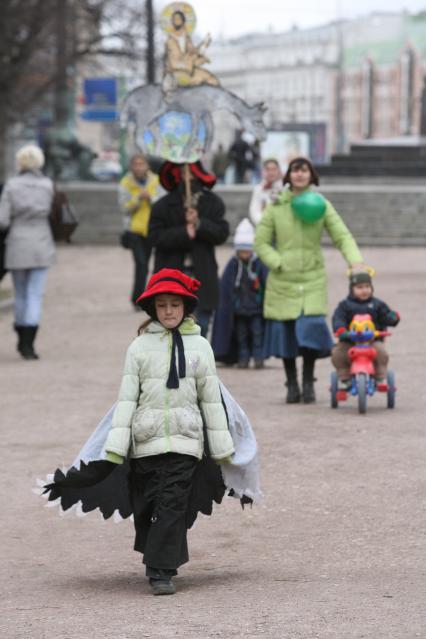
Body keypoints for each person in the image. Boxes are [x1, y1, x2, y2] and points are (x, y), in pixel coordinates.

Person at [103, 268, 235, 595]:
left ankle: (161, 570)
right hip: (146, 441)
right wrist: (117, 446)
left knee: (173, 502)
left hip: (186, 439)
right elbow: (126, 398)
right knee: (148, 504)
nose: (169, 311)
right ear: (153, 310)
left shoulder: (201, 347)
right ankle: (159, 557)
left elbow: (211, 399)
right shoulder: (138, 349)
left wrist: (220, 446)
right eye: (161, 306)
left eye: (174, 304)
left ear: (185, 307)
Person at [254, 156, 365, 404]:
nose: (300, 174)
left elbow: (342, 236)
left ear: (312, 175)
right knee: (287, 334)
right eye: (295, 170)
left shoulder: (321, 205)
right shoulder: (276, 206)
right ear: (288, 176)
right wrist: (277, 262)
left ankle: (308, 380)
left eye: (304, 170)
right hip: (283, 279)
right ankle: (292, 383)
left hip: (312, 278)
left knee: (311, 330)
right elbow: (261, 243)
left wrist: (355, 261)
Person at [148, 161, 229, 338]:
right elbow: (155, 237)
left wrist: (200, 224)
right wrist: (184, 232)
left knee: (201, 329)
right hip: (171, 276)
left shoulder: (212, 203)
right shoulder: (163, 206)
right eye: (184, 174)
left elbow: (222, 233)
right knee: (170, 330)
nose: (188, 178)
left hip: (203, 276)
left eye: (191, 174)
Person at [0, 144, 55, 360]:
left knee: (20, 293)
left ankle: (21, 334)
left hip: (17, 241)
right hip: (41, 241)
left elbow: (3, 220)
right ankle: (29, 343)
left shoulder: (12, 186)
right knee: (35, 294)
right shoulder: (47, 185)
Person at [212, 218, 267, 368]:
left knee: (257, 334)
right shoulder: (233, 264)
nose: (244, 254)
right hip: (239, 311)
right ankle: (243, 359)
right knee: (241, 336)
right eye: (242, 251)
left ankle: (258, 358)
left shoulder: (258, 264)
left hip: (256, 309)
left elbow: (265, 282)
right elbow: (226, 287)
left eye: (247, 251)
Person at [331, 271, 400, 385]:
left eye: (367, 287)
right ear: (352, 289)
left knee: (381, 352)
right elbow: (338, 318)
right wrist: (341, 329)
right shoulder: (345, 305)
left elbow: (385, 316)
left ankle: (379, 374)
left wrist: (392, 318)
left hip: (371, 339)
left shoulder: (377, 304)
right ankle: (344, 374)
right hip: (350, 339)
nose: (364, 290)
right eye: (359, 287)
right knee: (338, 352)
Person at [119, 154, 160, 309]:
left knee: (148, 264)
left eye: (142, 164)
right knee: (141, 264)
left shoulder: (155, 181)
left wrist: (150, 198)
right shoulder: (125, 183)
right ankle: (137, 299)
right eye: (136, 164)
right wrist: (137, 199)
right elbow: (124, 208)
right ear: (131, 166)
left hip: (150, 228)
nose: (139, 167)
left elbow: (161, 202)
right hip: (133, 230)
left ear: (147, 166)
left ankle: (148, 295)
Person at [162, 7, 219, 90]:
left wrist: (204, 45)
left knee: (212, 80)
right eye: (174, 19)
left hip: (189, 72)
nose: (177, 20)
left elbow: (193, 54)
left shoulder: (186, 38)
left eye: (179, 18)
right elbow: (176, 62)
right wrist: (194, 59)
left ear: (183, 21)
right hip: (177, 74)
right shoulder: (170, 41)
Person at [249, 158, 283, 226]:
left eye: (274, 169)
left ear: (278, 171)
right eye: (268, 169)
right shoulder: (258, 189)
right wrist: (265, 223)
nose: (271, 172)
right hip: (263, 226)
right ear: (263, 171)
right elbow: (254, 210)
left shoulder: (285, 189)